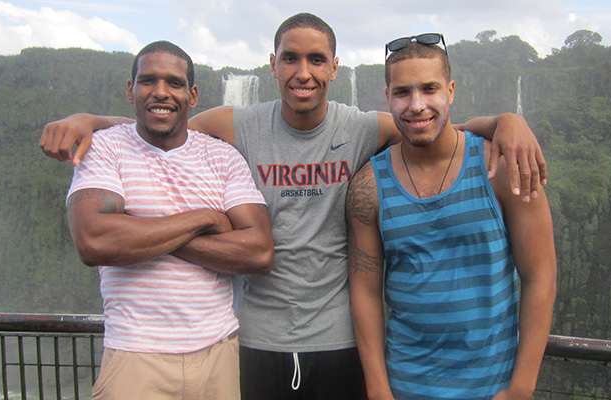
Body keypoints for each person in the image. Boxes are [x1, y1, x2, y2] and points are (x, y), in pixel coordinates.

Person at [41, 14, 547, 400]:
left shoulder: (362, 128)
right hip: (254, 337)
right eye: (290, 58)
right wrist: (89, 118)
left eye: (316, 59)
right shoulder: (236, 124)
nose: (303, 72)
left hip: (341, 337)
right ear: (273, 64)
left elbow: (434, 129)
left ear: (334, 67)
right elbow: (161, 120)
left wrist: (506, 122)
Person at [347, 34, 556, 400]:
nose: (416, 105)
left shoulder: (503, 168)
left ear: (451, 91)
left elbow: (540, 275)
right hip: (405, 386)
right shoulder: (369, 186)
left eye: (429, 89)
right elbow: (365, 291)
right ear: (387, 98)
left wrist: (522, 387)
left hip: (492, 389)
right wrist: (378, 388)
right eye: (402, 93)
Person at [65, 40, 273, 400]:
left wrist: (137, 229)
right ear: (130, 90)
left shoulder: (223, 157)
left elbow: (258, 253)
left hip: (218, 354)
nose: (160, 92)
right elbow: (94, 241)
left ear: (192, 96)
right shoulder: (103, 148)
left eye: (174, 83)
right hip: (135, 357)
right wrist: (206, 217)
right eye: (148, 81)